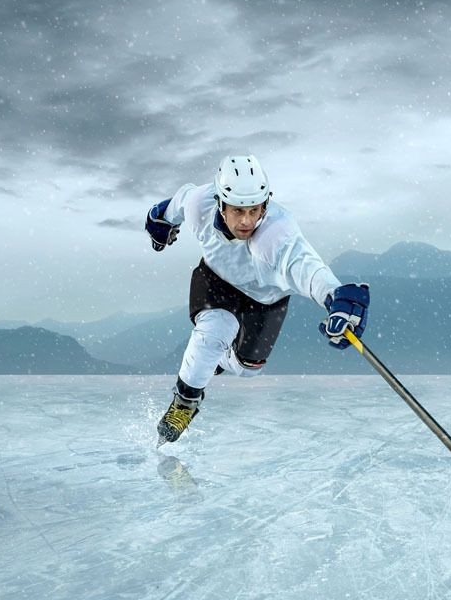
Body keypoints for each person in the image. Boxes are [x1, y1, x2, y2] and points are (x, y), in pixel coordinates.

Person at [144, 154, 369, 445]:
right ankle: (185, 402)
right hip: (216, 282)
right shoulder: (200, 204)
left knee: (248, 369)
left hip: (265, 302)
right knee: (215, 331)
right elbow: (179, 202)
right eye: (238, 210)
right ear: (219, 202)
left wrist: (335, 297)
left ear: (265, 203)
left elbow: (305, 266)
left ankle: (217, 358)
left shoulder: (277, 235)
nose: (247, 221)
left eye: (255, 210)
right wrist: (159, 218)